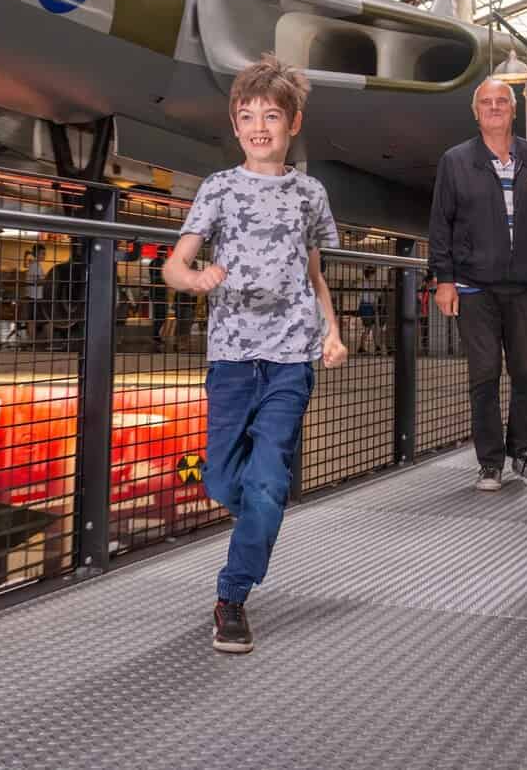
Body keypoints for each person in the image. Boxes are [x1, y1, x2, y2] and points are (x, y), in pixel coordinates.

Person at [165, 54, 347, 655]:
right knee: (222, 481)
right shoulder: (219, 189)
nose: (259, 125)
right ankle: (263, 506)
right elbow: (174, 263)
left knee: (266, 484)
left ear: (293, 124)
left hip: (292, 356)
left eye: (272, 115)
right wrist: (193, 281)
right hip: (232, 358)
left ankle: (231, 596)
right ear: (235, 124)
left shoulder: (309, 193)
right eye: (248, 116)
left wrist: (332, 328)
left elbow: (315, 273)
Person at [430, 77, 527, 491]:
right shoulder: (455, 161)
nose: (493, 108)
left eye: (501, 101)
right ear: (475, 112)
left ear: (513, 109)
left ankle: (521, 452)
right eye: (485, 102)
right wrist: (444, 280)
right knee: (484, 374)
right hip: (474, 286)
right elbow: (441, 224)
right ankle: (490, 462)